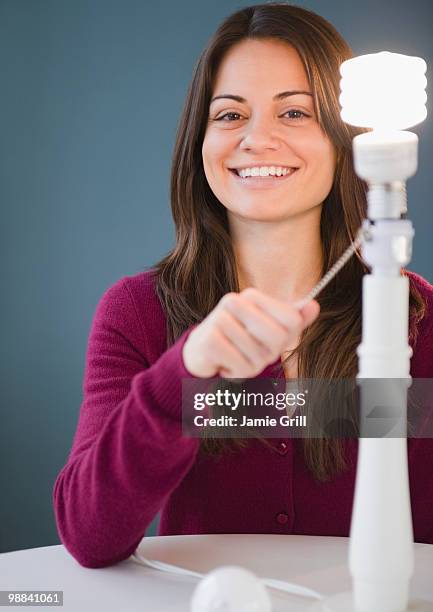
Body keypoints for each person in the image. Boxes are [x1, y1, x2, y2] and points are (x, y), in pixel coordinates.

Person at [53, 3, 433, 568]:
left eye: (296, 114)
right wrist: (184, 376)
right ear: (198, 141)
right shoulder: (137, 314)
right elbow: (89, 535)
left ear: (342, 137)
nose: (257, 139)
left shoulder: (416, 318)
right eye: (230, 115)